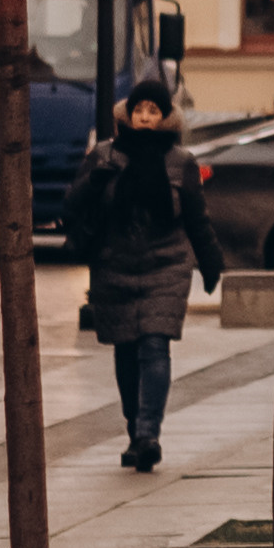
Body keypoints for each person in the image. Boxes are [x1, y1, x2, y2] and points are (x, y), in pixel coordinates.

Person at [61, 68, 221, 472]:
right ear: (127, 115)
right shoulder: (104, 155)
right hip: (113, 265)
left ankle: (149, 434)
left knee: (154, 345)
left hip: (166, 265)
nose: (146, 117)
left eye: (154, 110)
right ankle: (135, 427)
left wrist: (210, 261)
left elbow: (197, 219)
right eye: (139, 110)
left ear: (166, 116)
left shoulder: (181, 162)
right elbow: (72, 207)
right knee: (126, 351)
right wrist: (94, 183)